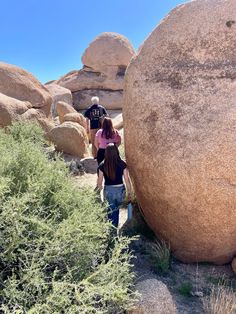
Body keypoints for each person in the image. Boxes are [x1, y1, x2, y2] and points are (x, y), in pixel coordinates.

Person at [97, 143, 132, 227]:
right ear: (117, 152)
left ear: (106, 153)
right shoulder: (122, 164)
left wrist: (100, 192)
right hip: (120, 190)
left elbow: (100, 182)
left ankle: (112, 228)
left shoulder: (102, 165)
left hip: (108, 191)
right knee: (116, 209)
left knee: (111, 210)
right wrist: (129, 192)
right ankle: (115, 227)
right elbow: (127, 180)